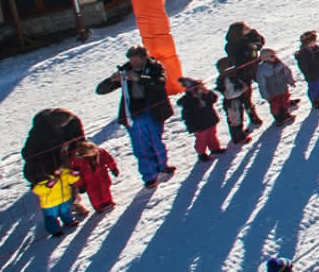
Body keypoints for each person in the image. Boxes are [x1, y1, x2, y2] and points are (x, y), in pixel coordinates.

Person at [94, 45, 175, 188]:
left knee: (156, 141)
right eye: (131, 59)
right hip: (133, 113)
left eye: (136, 59)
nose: (133, 62)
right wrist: (112, 81)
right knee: (140, 146)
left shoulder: (155, 67)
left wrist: (139, 78)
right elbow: (100, 90)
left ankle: (163, 166)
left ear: (144, 57)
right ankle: (149, 176)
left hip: (153, 110)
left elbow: (160, 84)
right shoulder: (125, 71)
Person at [224, 21, 267, 129]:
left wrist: (255, 40)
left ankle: (281, 103)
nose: (249, 28)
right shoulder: (231, 45)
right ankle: (252, 116)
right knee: (246, 97)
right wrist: (248, 47)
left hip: (255, 66)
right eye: (245, 28)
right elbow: (238, 60)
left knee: (269, 81)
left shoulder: (250, 35)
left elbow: (261, 42)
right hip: (243, 73)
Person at [176, 77, 227, 161]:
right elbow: (187, 116)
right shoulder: (188, 101)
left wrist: (208, 92)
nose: (198, 90)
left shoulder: (205, 95)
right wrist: (192, 127)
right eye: (195, 89)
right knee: (201, 140)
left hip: (210, 120)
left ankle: (215, 149)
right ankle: (201, 153)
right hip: (199, 125)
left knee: (212, 136)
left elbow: (214, 98)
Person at [68, 140, 118, 213]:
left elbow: (109, 159)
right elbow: (76, 174)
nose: (95, 152)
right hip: (89, 181)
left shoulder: (100, 152)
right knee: (94, 195)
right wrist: (80, 184)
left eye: (95, 150)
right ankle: (98, 206)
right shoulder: (78, 160)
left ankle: (108, 202)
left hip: (102, 176)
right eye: (92, 152)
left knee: (105, 190)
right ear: (85, 154)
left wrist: (113, 168)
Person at [30, 166, 80, 238]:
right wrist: (47, 186)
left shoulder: (63, 173)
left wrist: (75, 174)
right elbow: (37, 190)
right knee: (51, 217)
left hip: (64, 199)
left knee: (66, 211)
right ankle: (55, 230)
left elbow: (71, 179)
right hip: (50, 203)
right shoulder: (42, 178)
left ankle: (69, 221)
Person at [254, 48, 297, 126]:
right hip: (272, 92)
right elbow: (262, 84)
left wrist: (290, 81)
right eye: (272, 56)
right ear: (266, 58)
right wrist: (265, 95)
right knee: (275, 105)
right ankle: (278, 116)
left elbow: (287, 72)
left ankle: (285, 113)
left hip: (283, 88)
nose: (275, 58)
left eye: (274, 56)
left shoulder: (279, 64)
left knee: (284, 100)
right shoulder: (262, 69)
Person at [215, 57, 253, 146]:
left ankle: (240, 133)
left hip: (236, 101)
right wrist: (242, 90)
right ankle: (238, 138)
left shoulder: (231, 77)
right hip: (232, 103)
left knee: (239, 117)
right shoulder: (227, 80)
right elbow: (230, 94)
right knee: (235, 120)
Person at [295, 31, 319, 109]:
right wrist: (308, 72)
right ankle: (315, 100)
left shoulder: (316, 48)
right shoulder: (303, 53)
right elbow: (303, 66)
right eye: (312, 41)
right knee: (314, 87)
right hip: (312, 75)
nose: (314, 43)